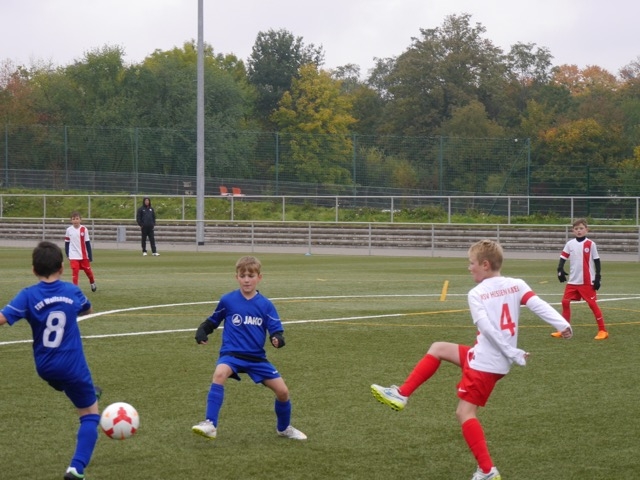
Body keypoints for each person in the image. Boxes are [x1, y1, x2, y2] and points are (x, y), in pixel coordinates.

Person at [371, 239, 572, 480]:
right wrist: (563, 324)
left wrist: (511, 351)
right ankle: (402, 394)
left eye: (471, 263)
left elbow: (487, 328)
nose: (469, 268)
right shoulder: (516, 284)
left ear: (485, 265)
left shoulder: (477, 293)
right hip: (490, 358)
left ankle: (487, 470)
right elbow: (538, 305)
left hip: (486, 362)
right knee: (438, 348)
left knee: (464, 413)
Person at [0, 241, 101, 480]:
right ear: (62, 268)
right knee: (90, 415)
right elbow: (87, 309)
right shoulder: (71, 291)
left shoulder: (27, 295)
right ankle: (76, 469)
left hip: (45, 367)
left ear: (34, 270)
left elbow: (2, 318)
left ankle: (82, 390)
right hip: (72, 366)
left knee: (66, 382)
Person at [192, 255, 306, 441]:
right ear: (236, 277)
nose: (246, 280)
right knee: (219, 374)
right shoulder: (228, 300)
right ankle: (210, 424)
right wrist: (202, 330)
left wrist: (277, 339)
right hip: (232, 354)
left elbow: (276, 330)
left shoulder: (266, 305)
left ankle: (284, 428)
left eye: (251, 276)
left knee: (283, 392)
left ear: (259, 277)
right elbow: (213, 321)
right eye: (243, 275)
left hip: (256, 358)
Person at [555, 218, 608, 340]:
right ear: (573, 230)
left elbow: (597, 260)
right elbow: (563, 257)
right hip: (573, 280)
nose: (579, 231)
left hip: (587, 281)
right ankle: (564, 330)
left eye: (581, 228)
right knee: (565, 302)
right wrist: (560, 269)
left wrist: (598, 277)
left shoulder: (591, 244)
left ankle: (603, 330)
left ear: (586, 230)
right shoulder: (570, 244)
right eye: (576, 229)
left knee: (592, 304)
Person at [64, 211, 97, 292]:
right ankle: (75, 289)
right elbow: (67, 243)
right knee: (75, 272)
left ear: (80, 220)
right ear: (71, 220)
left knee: (88, 271)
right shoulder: (69, 230)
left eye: (77, 219)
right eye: (73, 219)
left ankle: (92, 282)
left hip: (83, 255)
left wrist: (90, 256)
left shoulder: (84, 229)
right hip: (73, 255)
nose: (75, 220)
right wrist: (67, 254)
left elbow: (87, 243)